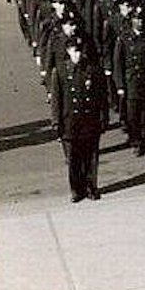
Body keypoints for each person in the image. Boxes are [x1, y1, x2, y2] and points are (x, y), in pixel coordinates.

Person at [48, 36, 106, 202]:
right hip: (70, 122)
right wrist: (56, 122)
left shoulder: (93, 69)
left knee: (91, 157)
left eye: (80, 51)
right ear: (68, 51)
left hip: (90, 120)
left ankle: (91, 186)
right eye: (74, 51)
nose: (78, 55)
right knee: (74, 158)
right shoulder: (60, 72)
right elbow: (56, 101)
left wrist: (103, 117)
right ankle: (76, 189)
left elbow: (101, 96)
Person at [113, 14, 145, 157]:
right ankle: (137, 143)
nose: (139, 22)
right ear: (132, 22)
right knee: (133, 116)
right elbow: (118, 63)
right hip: (132, 82)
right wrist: (120, 85)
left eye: (141, 19)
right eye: (136, 20)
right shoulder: (124, 39)